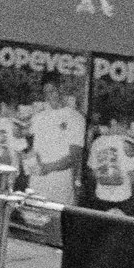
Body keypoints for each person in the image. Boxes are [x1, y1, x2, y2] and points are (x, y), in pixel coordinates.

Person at [26, 80, 85, 208]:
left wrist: (47, 168)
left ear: (61, 90)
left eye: (52, 91)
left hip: (61, 187)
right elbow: (30, 147)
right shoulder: (39, 117)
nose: (49, 96)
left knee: (56, 225)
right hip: (36, 186)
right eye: (45, 92)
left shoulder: (75, 118)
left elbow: (74, 157)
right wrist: (28, 159)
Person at [85, 118, 134, 215]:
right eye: (124, 126)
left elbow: (93, 171)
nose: (126, 130)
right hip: (123, 197)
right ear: (114, 122)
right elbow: (132, 173)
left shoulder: (96, 142)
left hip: (101, 196)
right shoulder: (126, 143)